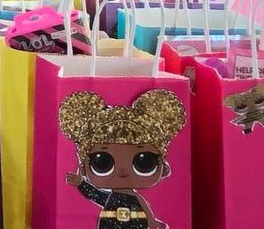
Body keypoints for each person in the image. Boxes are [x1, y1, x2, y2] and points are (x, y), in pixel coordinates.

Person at [58, 90, 187, 229]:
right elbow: (96, 195)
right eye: (103, 162)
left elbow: (147, 214)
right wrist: (81, 183)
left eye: (144, 162)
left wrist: (153, 224)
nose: (123, 171)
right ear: (85, 166)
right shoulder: (115, 198)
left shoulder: (135, 200)